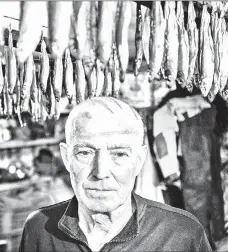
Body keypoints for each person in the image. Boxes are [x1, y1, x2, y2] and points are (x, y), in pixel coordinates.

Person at [18, 97, 212, 252]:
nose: (101, 173)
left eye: (119, 154)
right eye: (85, 152)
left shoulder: (183, 235)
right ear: (66, 157)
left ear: (139, 160)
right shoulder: (39, 228)